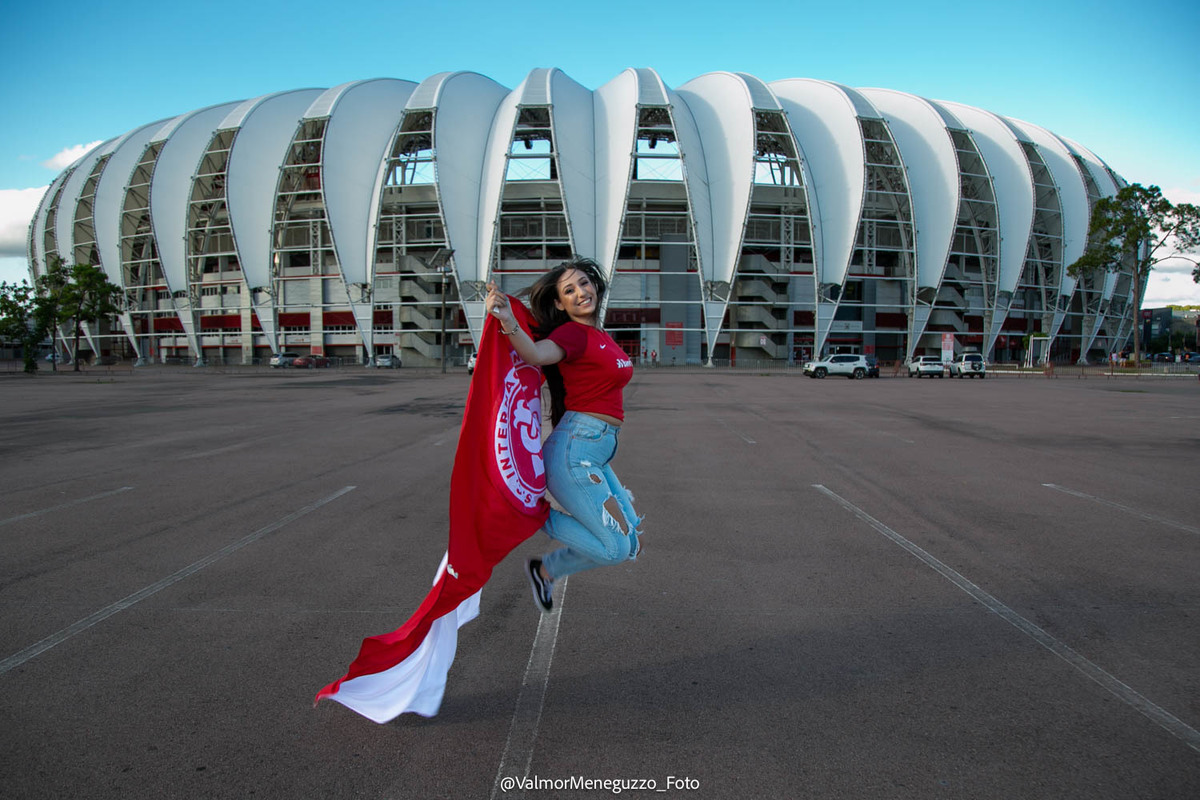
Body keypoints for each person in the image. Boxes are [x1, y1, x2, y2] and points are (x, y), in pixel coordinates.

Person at [485, 257, 642, 612]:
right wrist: (507, 319)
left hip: (596, 453)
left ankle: (543, 571)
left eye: (584, 283)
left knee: (631, 543)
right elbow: (538, 354)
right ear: (559, 303)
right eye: (569, 290)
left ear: (595, 287)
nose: (580, 292)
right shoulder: (570, 334)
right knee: (615, 548)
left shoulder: (598, 335)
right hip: (575, 451)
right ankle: (529, 516)